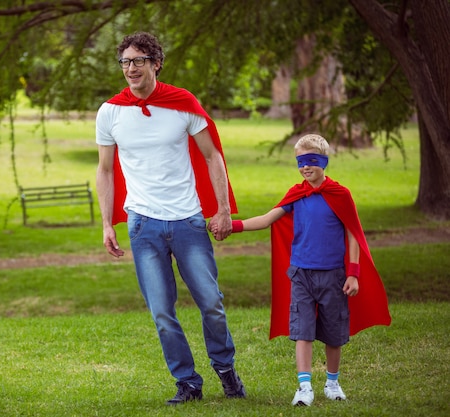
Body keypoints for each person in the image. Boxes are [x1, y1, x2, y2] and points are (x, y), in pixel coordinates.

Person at [95, 32, 246, 405]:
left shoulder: (182, 103)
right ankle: (188, 382)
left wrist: (223, 209)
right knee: (162, 311)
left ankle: (225, 370)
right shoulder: (110, 112)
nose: (131, 68)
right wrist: (106, 224)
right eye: (125, 62)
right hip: (142, 225)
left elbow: (213, 156)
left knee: (210, 301)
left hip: (187, 220)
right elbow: (105, 171)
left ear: (156, 63)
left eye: (139, 61)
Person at [211, 133, 391, 406]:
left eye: (311, 160)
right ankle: (304, 387)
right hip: (301, 275)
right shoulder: (296, 194)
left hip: (334, 275)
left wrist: (353, 272)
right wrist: (232, 226)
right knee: (302, 330)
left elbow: (354, 233)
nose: (306, 167)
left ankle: (332, 382)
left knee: (334, 332)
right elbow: (267, 219)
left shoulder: (340, 195)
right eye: (300, 162)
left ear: (324, 161)